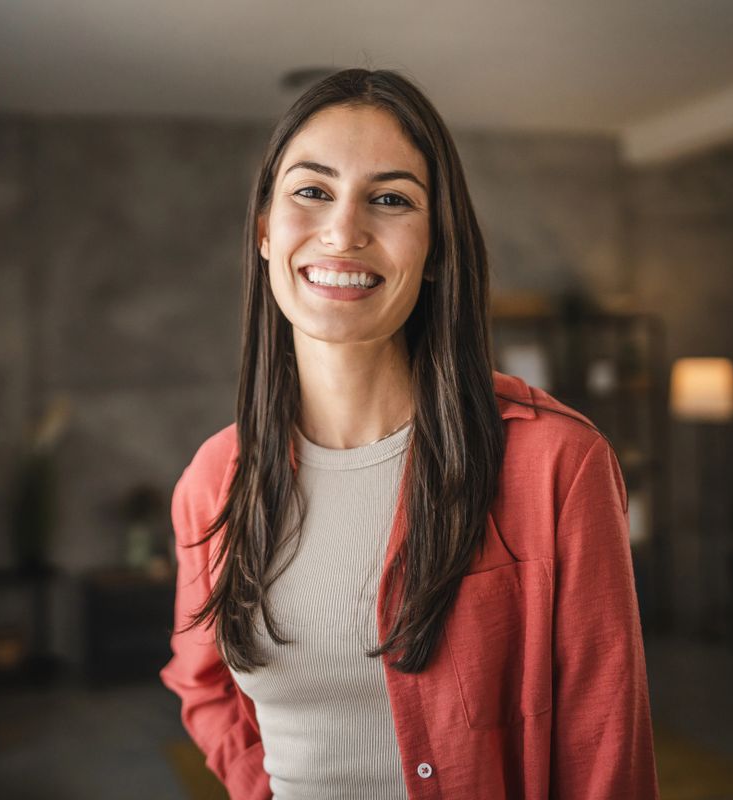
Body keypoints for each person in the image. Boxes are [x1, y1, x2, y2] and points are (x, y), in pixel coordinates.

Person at [160, 68, 660, 800]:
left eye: (390, 199)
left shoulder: (558, 463)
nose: (343, 230)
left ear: (434, 249)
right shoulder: (215, 477)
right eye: (311, 190)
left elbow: (604, 753)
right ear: (266, 232)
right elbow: (199, 678)